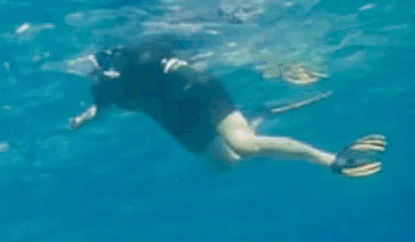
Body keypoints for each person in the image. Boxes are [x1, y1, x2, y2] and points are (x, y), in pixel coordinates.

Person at [68, 40, 385, 177]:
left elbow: (193, 63)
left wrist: (271, 63)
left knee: (243, 145)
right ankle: (260, 115)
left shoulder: (147, 58)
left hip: (199, 94)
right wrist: (86, 117)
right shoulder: (102, 86)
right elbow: (102, 105)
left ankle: (330, 160)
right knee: (226, 165)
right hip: (175, 119)